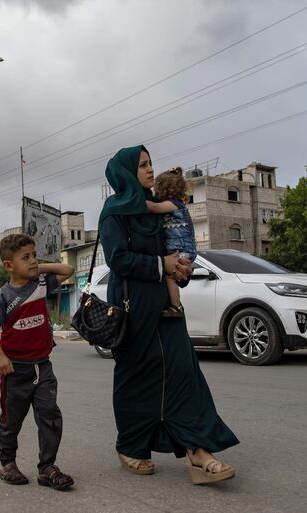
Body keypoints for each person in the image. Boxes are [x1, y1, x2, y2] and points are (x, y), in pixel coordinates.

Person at [99, 145, 239, 485]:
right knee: (135, 379)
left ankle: (198, 451)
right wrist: (161, 264)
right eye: (142, 165)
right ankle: (131, 445)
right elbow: (118, 259)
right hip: (134, 309)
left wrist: (182, 269)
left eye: (151, 163)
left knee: (184, 373)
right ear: (125, 172)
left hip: (169, 308)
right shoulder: (114, 211)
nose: (149, 170)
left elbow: (175, 247)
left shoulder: (159, 210)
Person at [0, 233, 75, 490]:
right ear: (9, 265)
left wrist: (36, 267)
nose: (33, 261)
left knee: (50, 416)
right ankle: (7, 464)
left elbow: (68, 268)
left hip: (43, 366)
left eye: (34, 255)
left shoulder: (42, 284)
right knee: (11, 419)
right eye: (26, 257)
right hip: (16, 371)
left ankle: (47, 468)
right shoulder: (3, 296)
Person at [145, 167, 197, 317]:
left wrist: (138, 202)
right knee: (172, 275)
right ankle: (176, 305)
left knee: (170, 275)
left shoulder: (173, 204)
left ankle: (175, 306)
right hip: (180, 248)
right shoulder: (177, 204)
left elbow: (155, 207)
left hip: (181, 249)